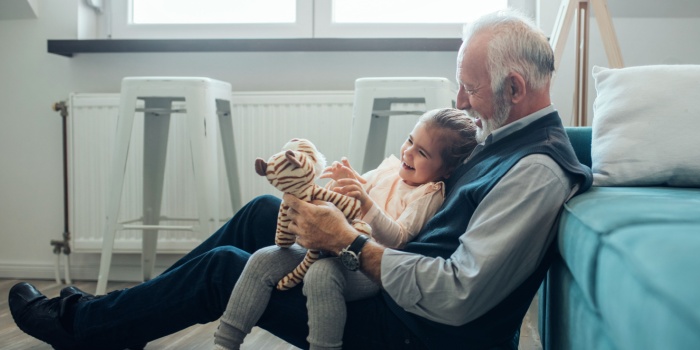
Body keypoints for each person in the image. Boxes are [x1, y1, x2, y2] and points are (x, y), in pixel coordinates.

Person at [8, 8, 593, 350]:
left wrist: (348, 241)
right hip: (396, 288)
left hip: (411, 328)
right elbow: (428, 207)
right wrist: (346, 202)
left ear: (514, 88)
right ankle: (120, 316)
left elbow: (457, 294)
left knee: (226, 269)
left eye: (467, 87)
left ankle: (86, 328)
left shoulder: (535, 173)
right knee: (263, 216)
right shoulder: (506, 136)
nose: (458, 99)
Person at [214, 108, 478, 350]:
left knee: (322, 275)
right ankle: (226, 342)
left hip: (368, 267)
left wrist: (364, 200)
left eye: (422, 153)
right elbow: (357, 194)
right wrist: (349, 181)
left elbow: (398, 238)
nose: (408, 153)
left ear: (447, 170)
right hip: (333, 246)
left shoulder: (428, 194)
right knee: (262, 259)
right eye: (410, 141)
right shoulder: (391, 169)